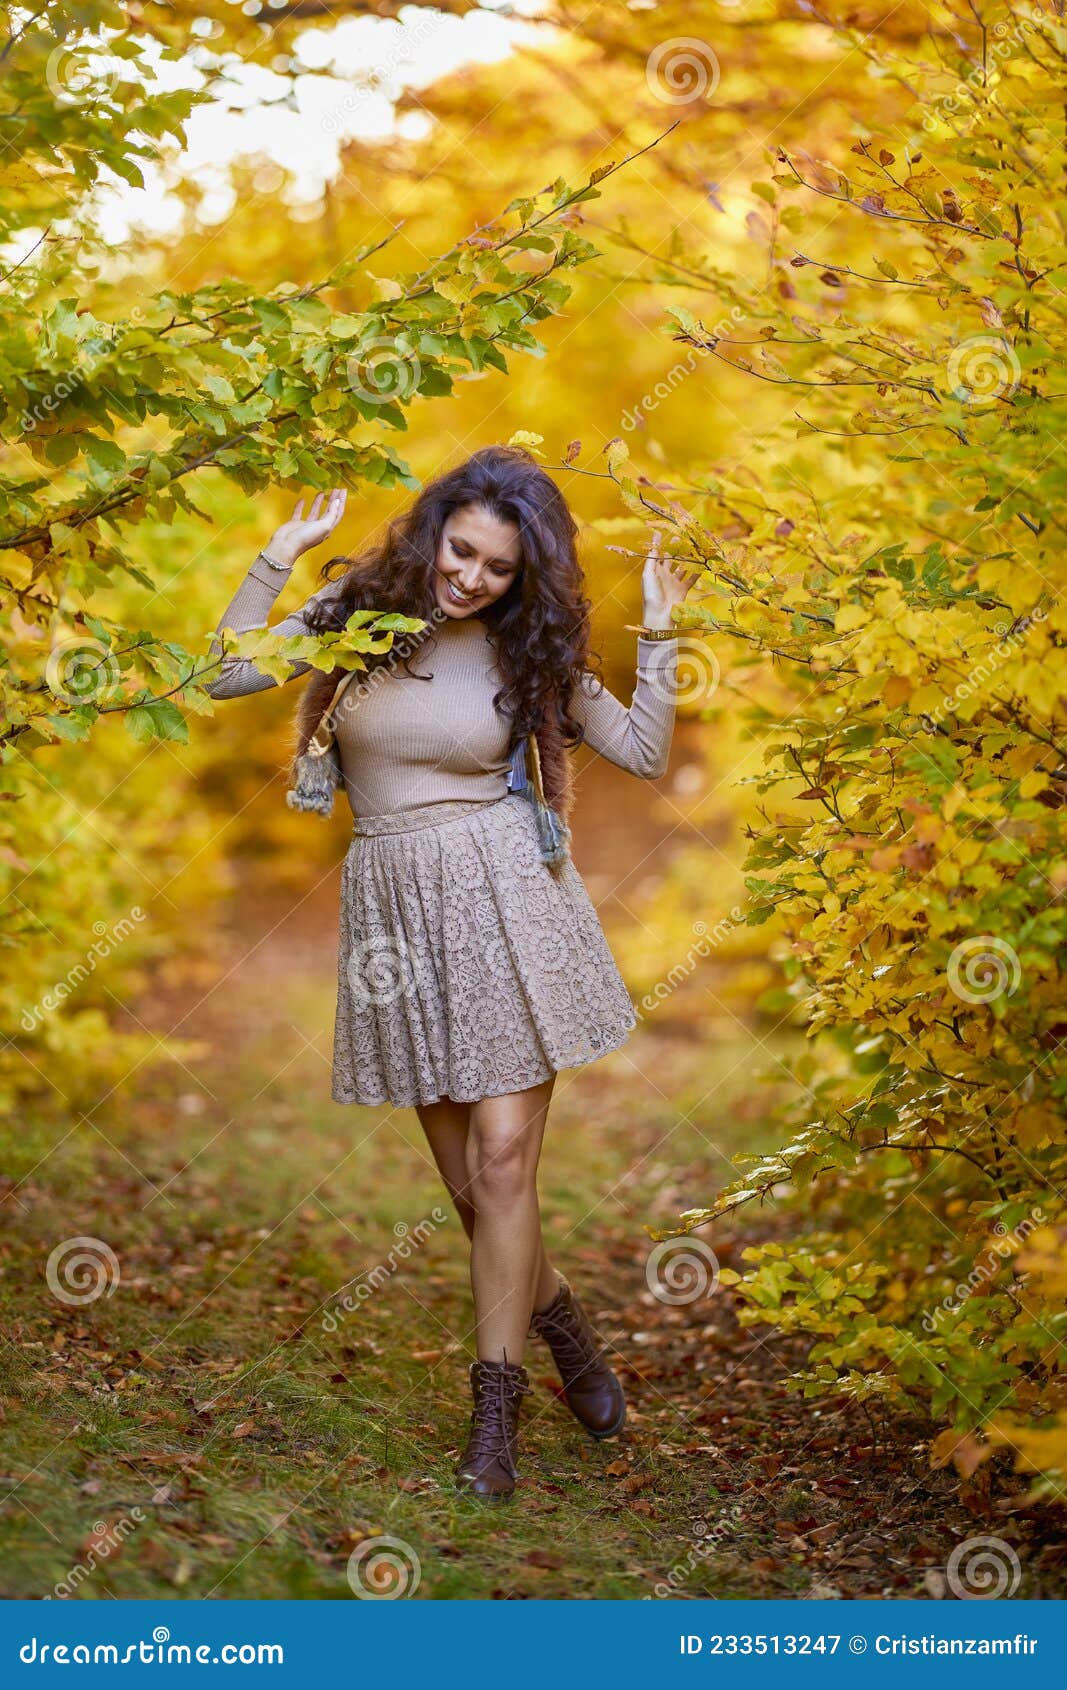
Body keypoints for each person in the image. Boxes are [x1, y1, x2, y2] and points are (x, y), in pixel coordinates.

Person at [205, 445, 696, 1500]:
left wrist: (658, 632)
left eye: (496, 567)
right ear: (432, 531)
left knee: (507, 1161)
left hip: (511, 898)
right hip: (395, 911)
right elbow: (225, 671)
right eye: (460, 551)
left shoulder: (528, 651)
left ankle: (493, 1424)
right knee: (473, 1187)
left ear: (523, 576)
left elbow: (644, 753)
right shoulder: (357, 610)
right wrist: (275, 559)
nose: (470, 578)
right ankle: (565, 1330)